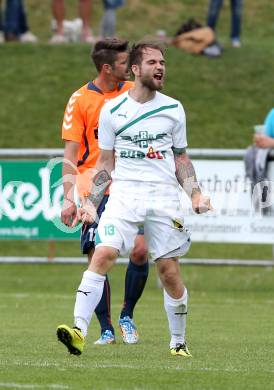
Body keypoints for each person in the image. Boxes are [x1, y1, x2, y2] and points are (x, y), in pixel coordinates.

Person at [56, 41, 211, 357]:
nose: (160, 67)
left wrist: (195, 193)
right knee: (103, 254)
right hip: (123, 196)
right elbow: (105, 164)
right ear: (136, 69)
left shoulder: (173, 109)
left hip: (163, 197)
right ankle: (79, 330)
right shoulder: (112, 110)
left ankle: (178, 342)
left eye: (163, 62)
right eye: (153, 62)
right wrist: (88, 200)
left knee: (168, 271)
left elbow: (181, 159)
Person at [60, 38, 149, 345]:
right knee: (98, 256)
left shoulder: (134, 93)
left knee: (140, 250)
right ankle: (106, 329)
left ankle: (127, 315)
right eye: (126, 63)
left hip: (131, 183)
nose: (132, 67)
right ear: (108, 68)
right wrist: (68, 198)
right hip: (92, 187)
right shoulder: (80, 99)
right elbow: (70, 156)